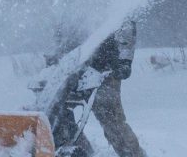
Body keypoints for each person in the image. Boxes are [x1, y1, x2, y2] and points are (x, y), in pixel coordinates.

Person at [47, 20, 147, 157]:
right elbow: (60, 33)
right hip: (72, 71)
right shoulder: (70, 5)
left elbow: (126, 27)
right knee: (57, 113)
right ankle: (80, 151)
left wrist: (124, 62)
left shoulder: (112, 5)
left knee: (111, 122)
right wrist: (55, 57)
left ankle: (133, 155)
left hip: (104, 71)